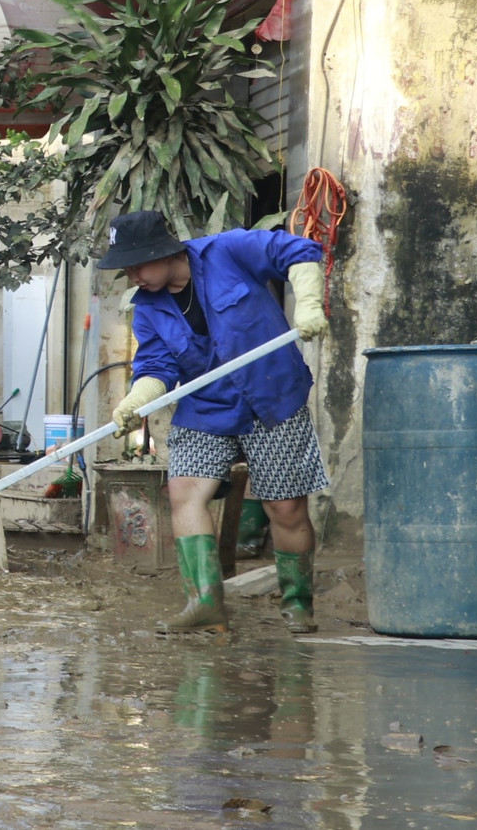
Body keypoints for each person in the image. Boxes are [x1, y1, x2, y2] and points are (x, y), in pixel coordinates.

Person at [98, 210, 329, 636]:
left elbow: (299, 251)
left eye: (137, 265)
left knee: (285, 506)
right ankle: (204, 604)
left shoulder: (230, 250)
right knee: (184, 490)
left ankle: (298, 602)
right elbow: (157, 366)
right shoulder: (147, 308)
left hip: (272, 395)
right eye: (126, 269)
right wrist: (136, 400)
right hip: (207, 406)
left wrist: (309, 302)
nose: (133, 277)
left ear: (165, 252)